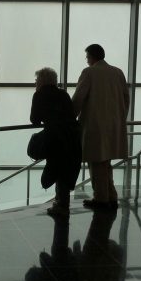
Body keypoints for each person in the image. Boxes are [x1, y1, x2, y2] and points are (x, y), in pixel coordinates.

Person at [72, 44, 129, 210]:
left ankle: (101, 198)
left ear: (91, 57)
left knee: (96, 163)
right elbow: (126, 99)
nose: (87, 61)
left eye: (87, 57)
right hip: (114, 125)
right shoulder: (118, 72)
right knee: (106, 163)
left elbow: (78, 98)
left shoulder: (89, 73)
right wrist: (120, 118)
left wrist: (71, 117)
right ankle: (111, 196)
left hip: (94, 126)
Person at [29, 67, 82, 217]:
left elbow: (34, 120)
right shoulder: (63, 94)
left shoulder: (39, 95)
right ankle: (61, 203)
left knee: (57, 167)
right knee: (65, 169)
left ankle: (62, 205)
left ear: (41, 80)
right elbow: (71, 114)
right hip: (72, 136)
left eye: (36, 80)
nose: (35, 82)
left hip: (55, 138)